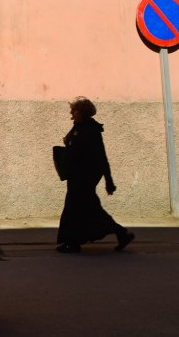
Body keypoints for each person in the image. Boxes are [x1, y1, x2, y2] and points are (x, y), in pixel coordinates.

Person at [56, 96, 134, 253]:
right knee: (89, 208)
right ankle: (121, 233)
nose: (71, 113)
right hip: (76, 175)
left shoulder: (91, 130)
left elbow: (101, 156)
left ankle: (73, 242)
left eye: (74, 110)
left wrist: (109, 181)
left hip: (85, 176)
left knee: (76, 207)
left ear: (82, 112)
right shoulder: (78, 126)